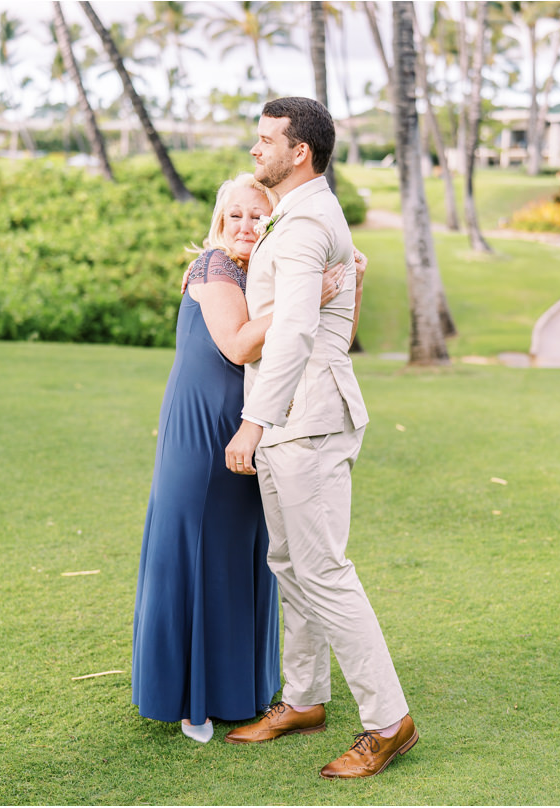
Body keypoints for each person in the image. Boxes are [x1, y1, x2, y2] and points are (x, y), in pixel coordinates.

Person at [222, 97, 416, 779]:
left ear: (298, 151)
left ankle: (389, 722)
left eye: (266, 140)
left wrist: (256, 420)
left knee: (325, 571)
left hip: (304, 419)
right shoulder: (299, 216)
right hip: (291, 420)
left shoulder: (305, 222)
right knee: (289, 564)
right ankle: (302, 699)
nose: (256, 150)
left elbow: (298, 330)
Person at [132, 173, 350, 743]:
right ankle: (192, 700)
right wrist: (309, 296)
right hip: (202, 431)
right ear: (219, 221)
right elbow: (236, 344)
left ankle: (242, 689)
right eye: (236, 216)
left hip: (254, 425)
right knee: (198, 550)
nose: (247, 226)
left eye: (260, 215)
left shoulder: (266, 270)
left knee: (242, 553)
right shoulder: (214, 267)